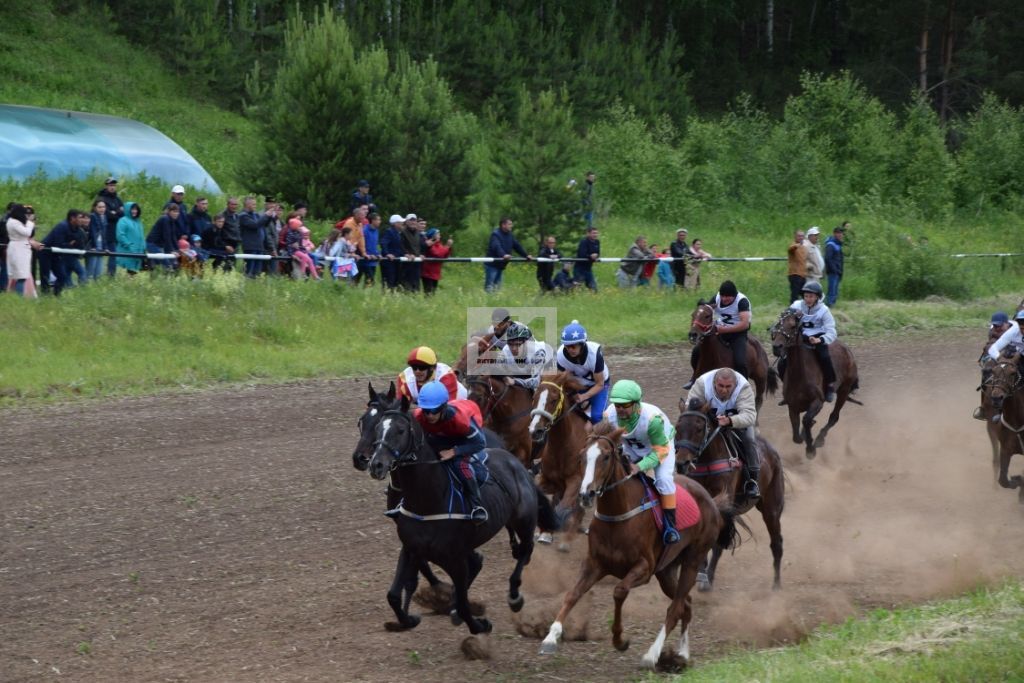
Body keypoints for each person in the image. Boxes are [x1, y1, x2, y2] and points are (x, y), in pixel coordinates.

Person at [603, 379, 680, 544]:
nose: (619, 409)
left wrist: (640, 466)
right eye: (617, 405)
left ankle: (670, 527)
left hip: (660, 447)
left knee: (664, 480)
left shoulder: (652, 419)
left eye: (624, 406)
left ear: (637, 404)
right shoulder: (609, 415)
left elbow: (661, 450)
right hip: (631, 447)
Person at [413, 381, 489, 523]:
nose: (429, 415)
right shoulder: (418, 416)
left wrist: (454, 451)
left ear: (443, 407)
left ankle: (477, 505)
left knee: (459, 465)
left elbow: (480, 443)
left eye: (434, 410)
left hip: (462, 438)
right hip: (440, 436)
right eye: (426, 410)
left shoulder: (460, 421)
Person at [685, 368, 761, 500]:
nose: (724, 390)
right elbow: (689, 408)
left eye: (728, 387)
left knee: (749, 439)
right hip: (708, 420)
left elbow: (749, 415)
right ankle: (680, 467)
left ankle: (752, 481)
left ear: (735, 385)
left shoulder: (743, 387)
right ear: (714, 382)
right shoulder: (702, 383)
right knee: (686, 434)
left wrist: (730, 420)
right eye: (720, 386)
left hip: (736, 421)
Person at [684, 280, 752, 389]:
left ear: (734, 296)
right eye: (723, 296)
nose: (724, 299)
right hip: (719, 330)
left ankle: (743, 386)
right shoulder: (717, 298)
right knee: (696, 351)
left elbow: (745, 324)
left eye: (728, 297)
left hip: (737, 334)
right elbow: (706, 309)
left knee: (740, 361)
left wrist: (724, 330)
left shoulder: (742, 301)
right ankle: (694, 377)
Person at [778, 281, 838, 402]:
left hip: (817, 336)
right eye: (806, 296)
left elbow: (832, 332)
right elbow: (785, 319)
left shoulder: (824, 310)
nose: (808, 299)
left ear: (817, 297)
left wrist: (820, 339)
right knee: (782, 362)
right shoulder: (797, 305)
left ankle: (830, 386)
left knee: (825, 357)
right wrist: (789, 321)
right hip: (800, 336)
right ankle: (788, 387)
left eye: (811, 296)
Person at [555, 320, 610, 424]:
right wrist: (574, 393)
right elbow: (565, 380)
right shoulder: (560, 356)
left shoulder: (594, 354)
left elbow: (600, 384)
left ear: (582, 344)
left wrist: (584, 396)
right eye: (567, 346)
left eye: (573, 346)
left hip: (599, 384)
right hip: (578, 384)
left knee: (597, 417)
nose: (570, 350)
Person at [397, 346, 468, 404]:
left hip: (458, 408)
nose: (417, 371)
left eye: (422, 367)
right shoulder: (404, 379)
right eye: (414, 367)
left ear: (432, 367)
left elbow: (447, 410)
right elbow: (401, 408)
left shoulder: (447, 376)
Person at [498, 322, 554, 391]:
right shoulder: (505, 350)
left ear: (526, 343)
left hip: (548, 367)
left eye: (518, 344)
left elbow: (537, 382)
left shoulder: (538, 353)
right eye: (510, 344)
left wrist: (515, 381)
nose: (513, 348)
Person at [484, 217, 531, 292]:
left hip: (500, 265)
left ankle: (495, 303)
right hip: (492, 265)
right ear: (503, 225)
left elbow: (517, 246)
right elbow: (496, 246)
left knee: (497, 289)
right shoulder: (495, 234)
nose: (511, 226)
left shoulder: (510, 235)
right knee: (489, 288)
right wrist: (503, 255)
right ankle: (487, 302)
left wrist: (526, 255)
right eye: (509, 224)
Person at [5, 203, 40, 297]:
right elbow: (27, 232)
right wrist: (30, 222)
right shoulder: (13, 222)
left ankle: (16, 296)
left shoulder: (14, 221)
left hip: (21, 248)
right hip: (18, 249)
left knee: (22, 275)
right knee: (21, 276)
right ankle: (19, 297)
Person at [115, 202, 145, 276]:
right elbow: (120, 235)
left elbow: (141, 235)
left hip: (138, 252)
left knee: (133, 274)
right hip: (127, 251)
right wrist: (129, 245)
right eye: (132, 209)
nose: (134, 211)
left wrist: (144, 246)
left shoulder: (138, 221)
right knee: (126, 273)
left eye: (136, 209)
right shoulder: (123, 220)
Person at [239, 196, 265, 277]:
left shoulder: (256, 215)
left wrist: (270, 216)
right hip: (250, 246)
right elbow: (255, 225)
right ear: (247, 205)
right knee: (249, 269)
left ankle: (255, 284)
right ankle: (247, 282)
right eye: (253, 204)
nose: (255, 206)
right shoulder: (243, 216)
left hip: (259, 245)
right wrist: (266, 216)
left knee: (257, 271)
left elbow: (263, 224)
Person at [421, 228, 452, 295]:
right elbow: (437, 254)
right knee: (428, 293)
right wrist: (447, 246)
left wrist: (448, 248)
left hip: (435, 272)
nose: (439, 236)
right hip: (428, 273)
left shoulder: (439, 244)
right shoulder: (430, 244)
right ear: (433, 235)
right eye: (438, 234)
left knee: (433, 292)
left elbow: (445, 256)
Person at [85, 199, 110, 282]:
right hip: (93, 245)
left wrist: (105, 247)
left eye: (103, 207)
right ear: (95, 208)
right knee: (90, 270)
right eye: (99, 207)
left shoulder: (104, 217)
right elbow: (92, 233)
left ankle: (95, 288)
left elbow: (105, 234)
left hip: (101, 245)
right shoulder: (92, 216)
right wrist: (93, 246)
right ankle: (85, 286)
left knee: (98, 271)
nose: (102, 209)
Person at [379, 215, 405, 291]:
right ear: (395, 223)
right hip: (388, 262)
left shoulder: (398, 233)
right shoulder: (389, 231)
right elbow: (384, 243)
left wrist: (404, 254)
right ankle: (386, 298)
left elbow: (398, 248)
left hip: (395, 261)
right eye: (401, 223)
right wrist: (387, 253)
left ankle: (392, 298)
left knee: (395, 282)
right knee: (389, 282)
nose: (402, 224)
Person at [399, 212, 423, 292]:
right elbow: (401, 245)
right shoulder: (402, 232)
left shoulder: (419, 233)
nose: (413, 222)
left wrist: (422, 254)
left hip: (417, 262)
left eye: (414, 220)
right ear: (406, 221)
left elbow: (421, 246)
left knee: (416, 286)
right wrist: (406, 254)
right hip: (406, 262)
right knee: (406, 285)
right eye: (411, 220)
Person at [824, 224, 846, 307]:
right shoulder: (830, 245)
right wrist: (834, 270)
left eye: (842, 233)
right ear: (834, 234)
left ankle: (832, 305)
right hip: (833, 272)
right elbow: (828, 258)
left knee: (835, 290)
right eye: (839, 233)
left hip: (838, 271)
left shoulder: (838, 244)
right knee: (832, 290)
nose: (841, 235)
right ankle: (829, 305)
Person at [573, 227, 600, 291]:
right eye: (593, 233)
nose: (595, 235)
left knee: (593, 288)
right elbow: (581, 254)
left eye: (596, 233)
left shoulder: (597, 242)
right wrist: (590, 256)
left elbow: (598, 253)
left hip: (588, 268)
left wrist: (596, 256)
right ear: (588, 234)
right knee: (577, 288)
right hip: (580, 268)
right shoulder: (583, 242)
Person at [359, 212, 381, 286]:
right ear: (373, 220)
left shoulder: (377, 231)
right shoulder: (364, 230)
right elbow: (361, 244)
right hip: (364, 260)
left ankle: (366, 295)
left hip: (373, 261)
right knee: (359, 279)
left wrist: (378, 254)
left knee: (369, 282)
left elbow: (374, 245)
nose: (380, 222)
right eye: (378, 220)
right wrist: (367, 254)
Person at [787, 229, 807, 303]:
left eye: (802, 236)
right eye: (799, 236)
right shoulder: (793, 246)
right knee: (794, 295)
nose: (801, 237)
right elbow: (790, 249)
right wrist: (797, 245)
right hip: (795, 274)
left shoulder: (804, 247)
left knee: (804, 294)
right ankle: (791, 310)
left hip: (803, 275)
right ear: (795, 237)